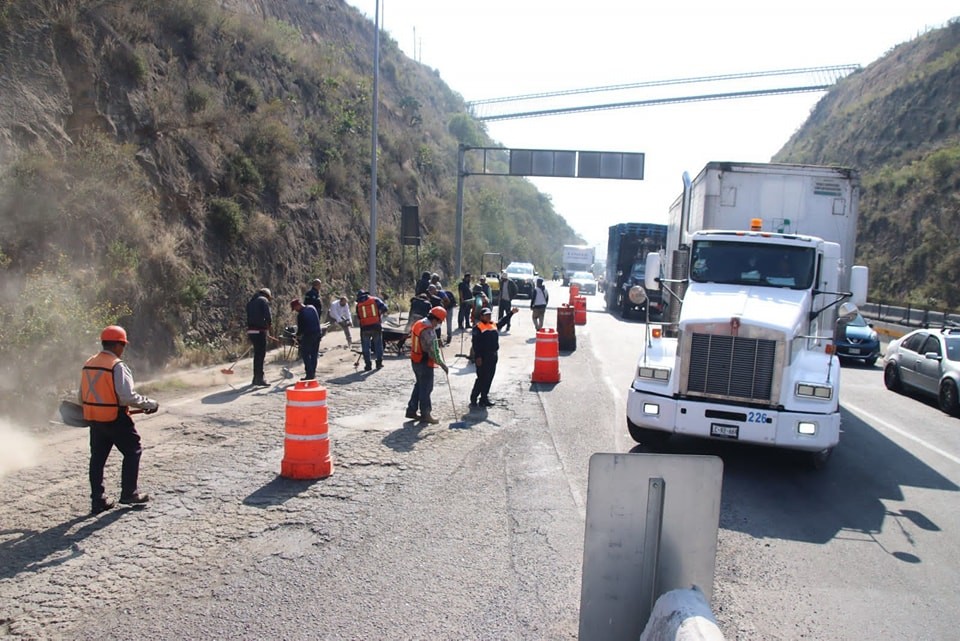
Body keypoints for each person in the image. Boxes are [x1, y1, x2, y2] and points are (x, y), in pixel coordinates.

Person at [80, 325, 158, 514]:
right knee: (133, 451)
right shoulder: (117, 366)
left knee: (97, 459)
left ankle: (98, 500)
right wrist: (149, 404)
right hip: (116, 418)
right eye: (123, 345)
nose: (123, 349)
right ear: (118, 345)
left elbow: (81, 394)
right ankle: (129, 493)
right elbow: (127, 396)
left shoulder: (89, 363)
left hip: (95, 419)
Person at [406, 306, 449, 424]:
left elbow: (423, 341)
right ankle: (426, 414)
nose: (439, 324)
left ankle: (411, 410)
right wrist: (442, 364)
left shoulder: (419, 324)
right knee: (426, 389)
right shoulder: (428, 330)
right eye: (440, 322)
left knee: (419, 385)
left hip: (415, 359)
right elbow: (433, 352)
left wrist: (437, 340)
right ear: (436, 319)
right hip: (424, 362)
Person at [470, 306, 518, 408]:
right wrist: (477, 357)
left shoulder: (493, 325)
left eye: (489, 315)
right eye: (486, 315)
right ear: (481, 316)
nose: (488, 316)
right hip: (483, 356)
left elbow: (503, 321)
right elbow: (475, 344)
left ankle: (484, 398)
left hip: (493, 355)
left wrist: (511, 313)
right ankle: (474, 397)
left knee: (489, 378)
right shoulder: (478, 327)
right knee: (481, 378)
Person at [246, 287, 273, 386]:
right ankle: (260, 379)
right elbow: (268, 316)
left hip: (251, 331)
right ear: (267, 295)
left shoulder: (251, 302)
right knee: (260, 355)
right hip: (260, 331)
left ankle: (255, 378)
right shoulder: (263, 300)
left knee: (257, 355)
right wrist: (269, 327)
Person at [356, 289, 388, 371]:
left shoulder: (358, 304)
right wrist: (379, 314)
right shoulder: (375, 300)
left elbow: (359, 317)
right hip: (376, 326)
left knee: (366, 347)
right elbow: (385, 308)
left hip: (364, 328)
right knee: (378, 345)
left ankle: (368, 365)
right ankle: (379, 363)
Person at [291, 299, 322, 380]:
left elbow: (301, 329)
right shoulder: (312, 307)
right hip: (318, 333)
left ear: (298, 305)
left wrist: (297, 335)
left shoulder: (301, 314)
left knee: (305, 354)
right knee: (314, 354)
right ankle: (313, 373)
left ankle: (309, 374)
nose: (296, 310)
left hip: (309, 335)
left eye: (295, 308)